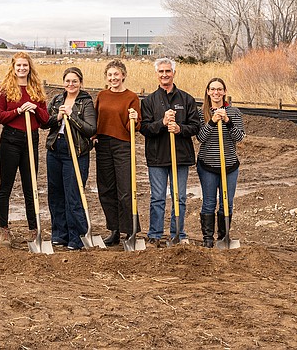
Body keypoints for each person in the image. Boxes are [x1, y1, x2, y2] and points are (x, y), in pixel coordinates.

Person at [139, 58, 199, 246]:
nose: (165, 74)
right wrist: (162, 123)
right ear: (157, 74)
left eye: (168, 71)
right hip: (157, 157)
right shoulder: (149, 101)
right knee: (157, 198)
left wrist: (180, 129)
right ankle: (155, 234)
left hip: (180, 157)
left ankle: (178, 234)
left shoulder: (186, 99)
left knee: (179, 197)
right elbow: (145, 128)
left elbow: (196, 126)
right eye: (161, 71)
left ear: (174, 73)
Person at [0, 52, 50, 247]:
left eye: (25, 65)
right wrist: (17, 111)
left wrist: (34, 107)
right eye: (18, 65)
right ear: (13, 67)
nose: (22, 69)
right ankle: (4, 230)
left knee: (30, 186)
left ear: (29, 67)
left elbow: (45, 121)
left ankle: (34, 230)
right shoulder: (5, 89)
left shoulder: (36, 90)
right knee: (6, 186)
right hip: (10, 140)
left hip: (31, 139)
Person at [45, 67, 96, 250]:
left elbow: (90, 129)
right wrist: (58, 116)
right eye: (67, 81)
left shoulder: (86, 102)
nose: (71, 84)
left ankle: (77, 236)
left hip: (76, 151)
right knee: (56, 194)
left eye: (74, 81)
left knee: (73, 195)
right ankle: (60, 234)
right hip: (55, 149)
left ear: (80, 82)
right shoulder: (57, 99)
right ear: (63, 82)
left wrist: (72, 115)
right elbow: (45, 122)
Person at [94, 59, 141, 246]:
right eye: (110, 75)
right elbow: (96, 118)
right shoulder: (102, 95)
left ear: (123, 75)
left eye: (116, 74)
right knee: (106, 189)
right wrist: (94, 135)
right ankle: (114, 230)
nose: (113, 78)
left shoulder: (132, 97)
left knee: (125, 190)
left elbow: (137, 126)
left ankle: (130, 231)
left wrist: (135, 119)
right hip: (103, 144)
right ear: (106, 77)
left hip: (123, 144)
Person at [196, 78, 246, 247]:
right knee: (209, 202)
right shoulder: (201, 113)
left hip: (230, 165)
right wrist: (212, 121)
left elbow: (239, 137)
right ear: (208, 92)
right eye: (213, 89)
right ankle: (208, 239)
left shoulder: (234, 112)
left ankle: (223, 238)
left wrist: (227, 121)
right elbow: (200, 138)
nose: (216, 92)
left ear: (224, 92)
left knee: (226, 202)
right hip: (208, 165)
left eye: (219, 89)